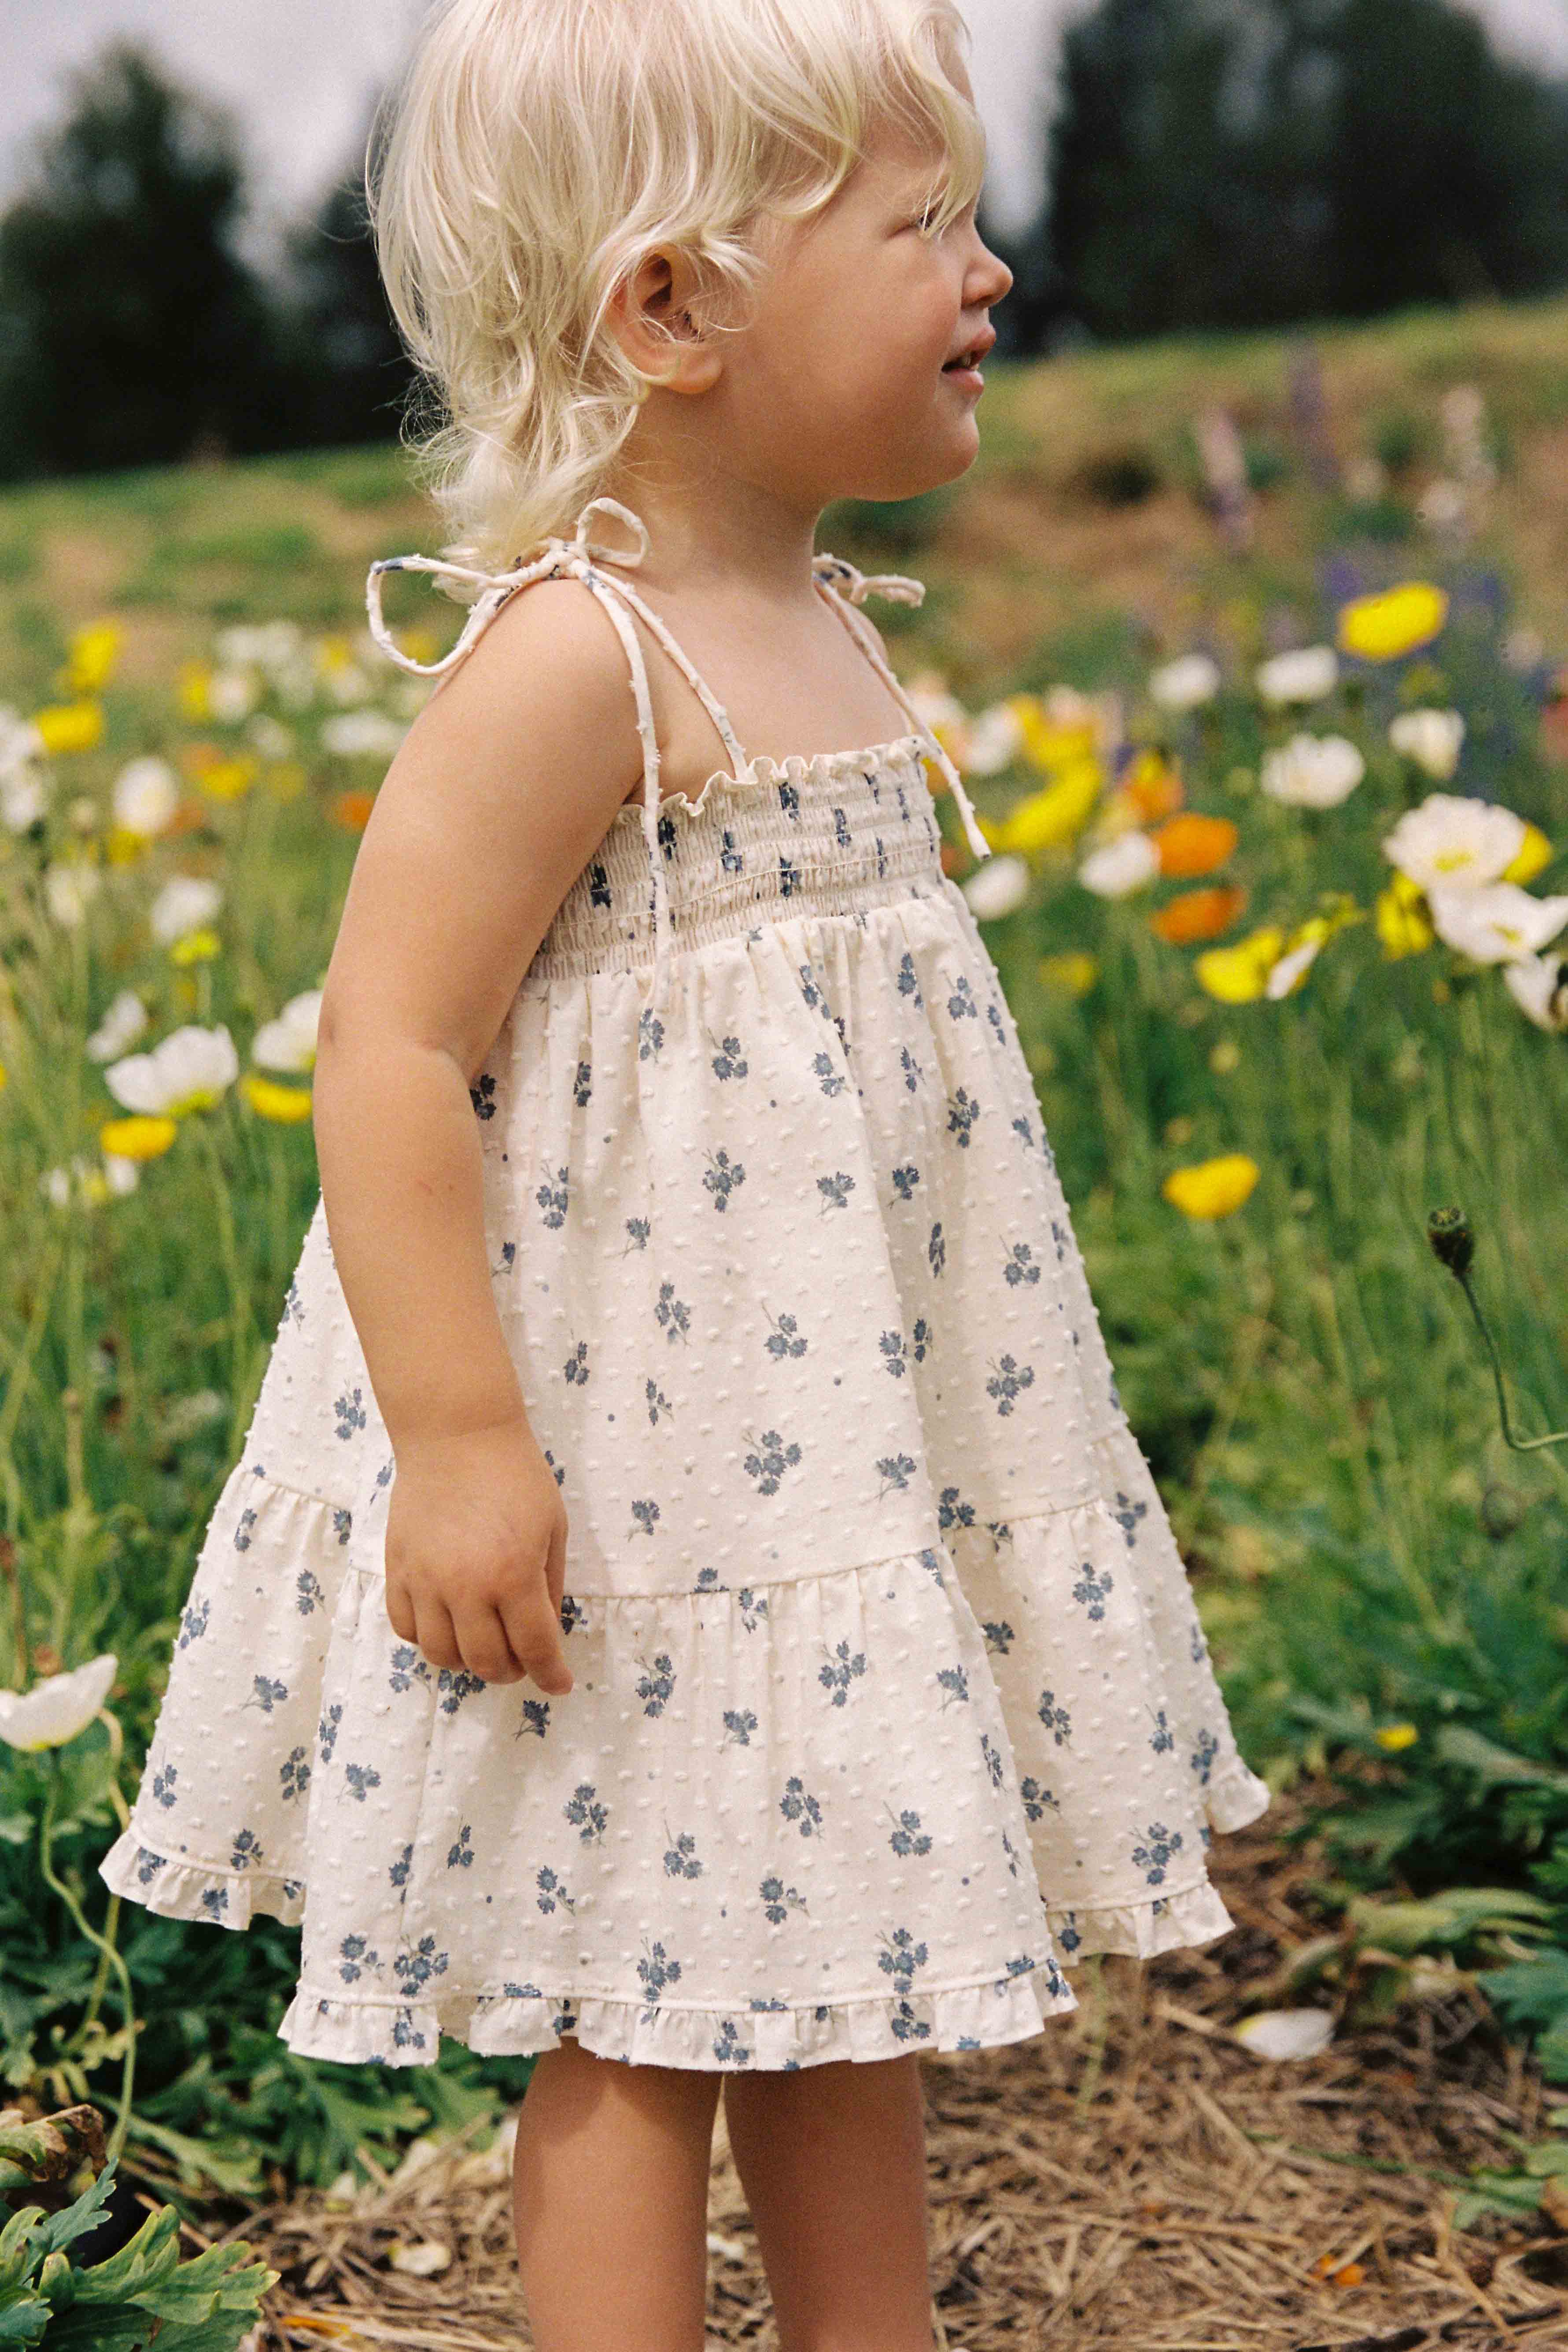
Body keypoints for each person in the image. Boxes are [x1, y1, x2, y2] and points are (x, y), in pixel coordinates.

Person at [101, 0, 1270, 2344]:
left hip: (829, 1453)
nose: (992, 274)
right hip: (632, 1486)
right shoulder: (575, 663)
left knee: (857, 1960)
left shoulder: (831, 624)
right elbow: (389, 1048)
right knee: (634, 1996)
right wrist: (454, 1444)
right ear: (669, 310)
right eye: (925, 223)